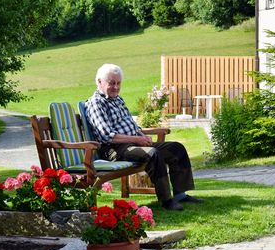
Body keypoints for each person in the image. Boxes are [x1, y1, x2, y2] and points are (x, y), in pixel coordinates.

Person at [84, 63, 203, 211]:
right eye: (111, 83)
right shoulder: (96, 103)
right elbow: (108, 136)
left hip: (133, 144)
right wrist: (138, 140)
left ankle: (180, 195)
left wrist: (142, 136)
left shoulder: (117, 99)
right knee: (153, 154)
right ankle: (166, 200)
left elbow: (132, 126)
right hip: (114, 150)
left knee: (176, 148)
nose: (115, 87)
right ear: (99, 82)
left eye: (118, 83)